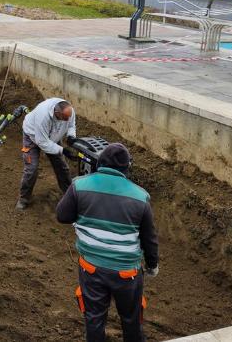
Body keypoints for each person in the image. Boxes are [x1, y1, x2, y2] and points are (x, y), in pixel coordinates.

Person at [56, 143, 159, 342]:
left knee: (94, 319)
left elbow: (62, 216)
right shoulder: (140, 196)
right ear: (126, 168)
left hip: (91, 268)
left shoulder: (79, 185)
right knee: (131, 319)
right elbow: (149, 238)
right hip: (126, 273)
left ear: (100, 162)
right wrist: (152, 265)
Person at [16, 98, 77, 210]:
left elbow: (71, 125)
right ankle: (23, 198)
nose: (67, 120)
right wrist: (63, 150)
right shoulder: (43, 116)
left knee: (62, 167)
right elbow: (42, 142)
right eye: (64, 118)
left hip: (53, 136)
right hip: (33, 137)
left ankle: (70, 196)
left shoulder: (68, 111)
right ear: (57, 113)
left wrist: (71, 136)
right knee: (31, 169)